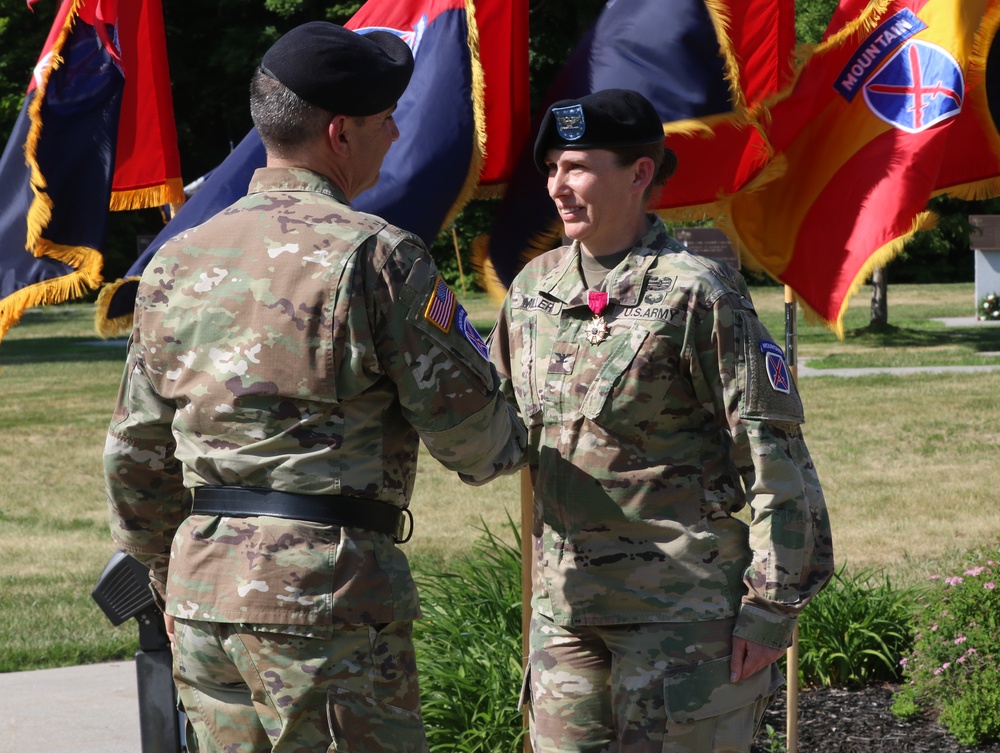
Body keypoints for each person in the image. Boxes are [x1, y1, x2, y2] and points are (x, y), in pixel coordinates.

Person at [104, 21, 526, 753]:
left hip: (205, 602)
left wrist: (169, 577)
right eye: (384, 119)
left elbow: (134, 456)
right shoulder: (376, 255)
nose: (396, 134)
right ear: (340, 132)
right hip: (324, 604)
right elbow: (477, 440)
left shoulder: (176, 261)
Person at [488, 89, 834, 753]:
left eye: (578, 167)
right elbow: (497, 429)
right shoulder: (533, 291)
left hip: (682, 618)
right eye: (552, 168)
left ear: (639, 173)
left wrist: (771, 605)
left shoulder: (695, 290)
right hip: (567, 614)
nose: (559, 185)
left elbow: (770, 451)